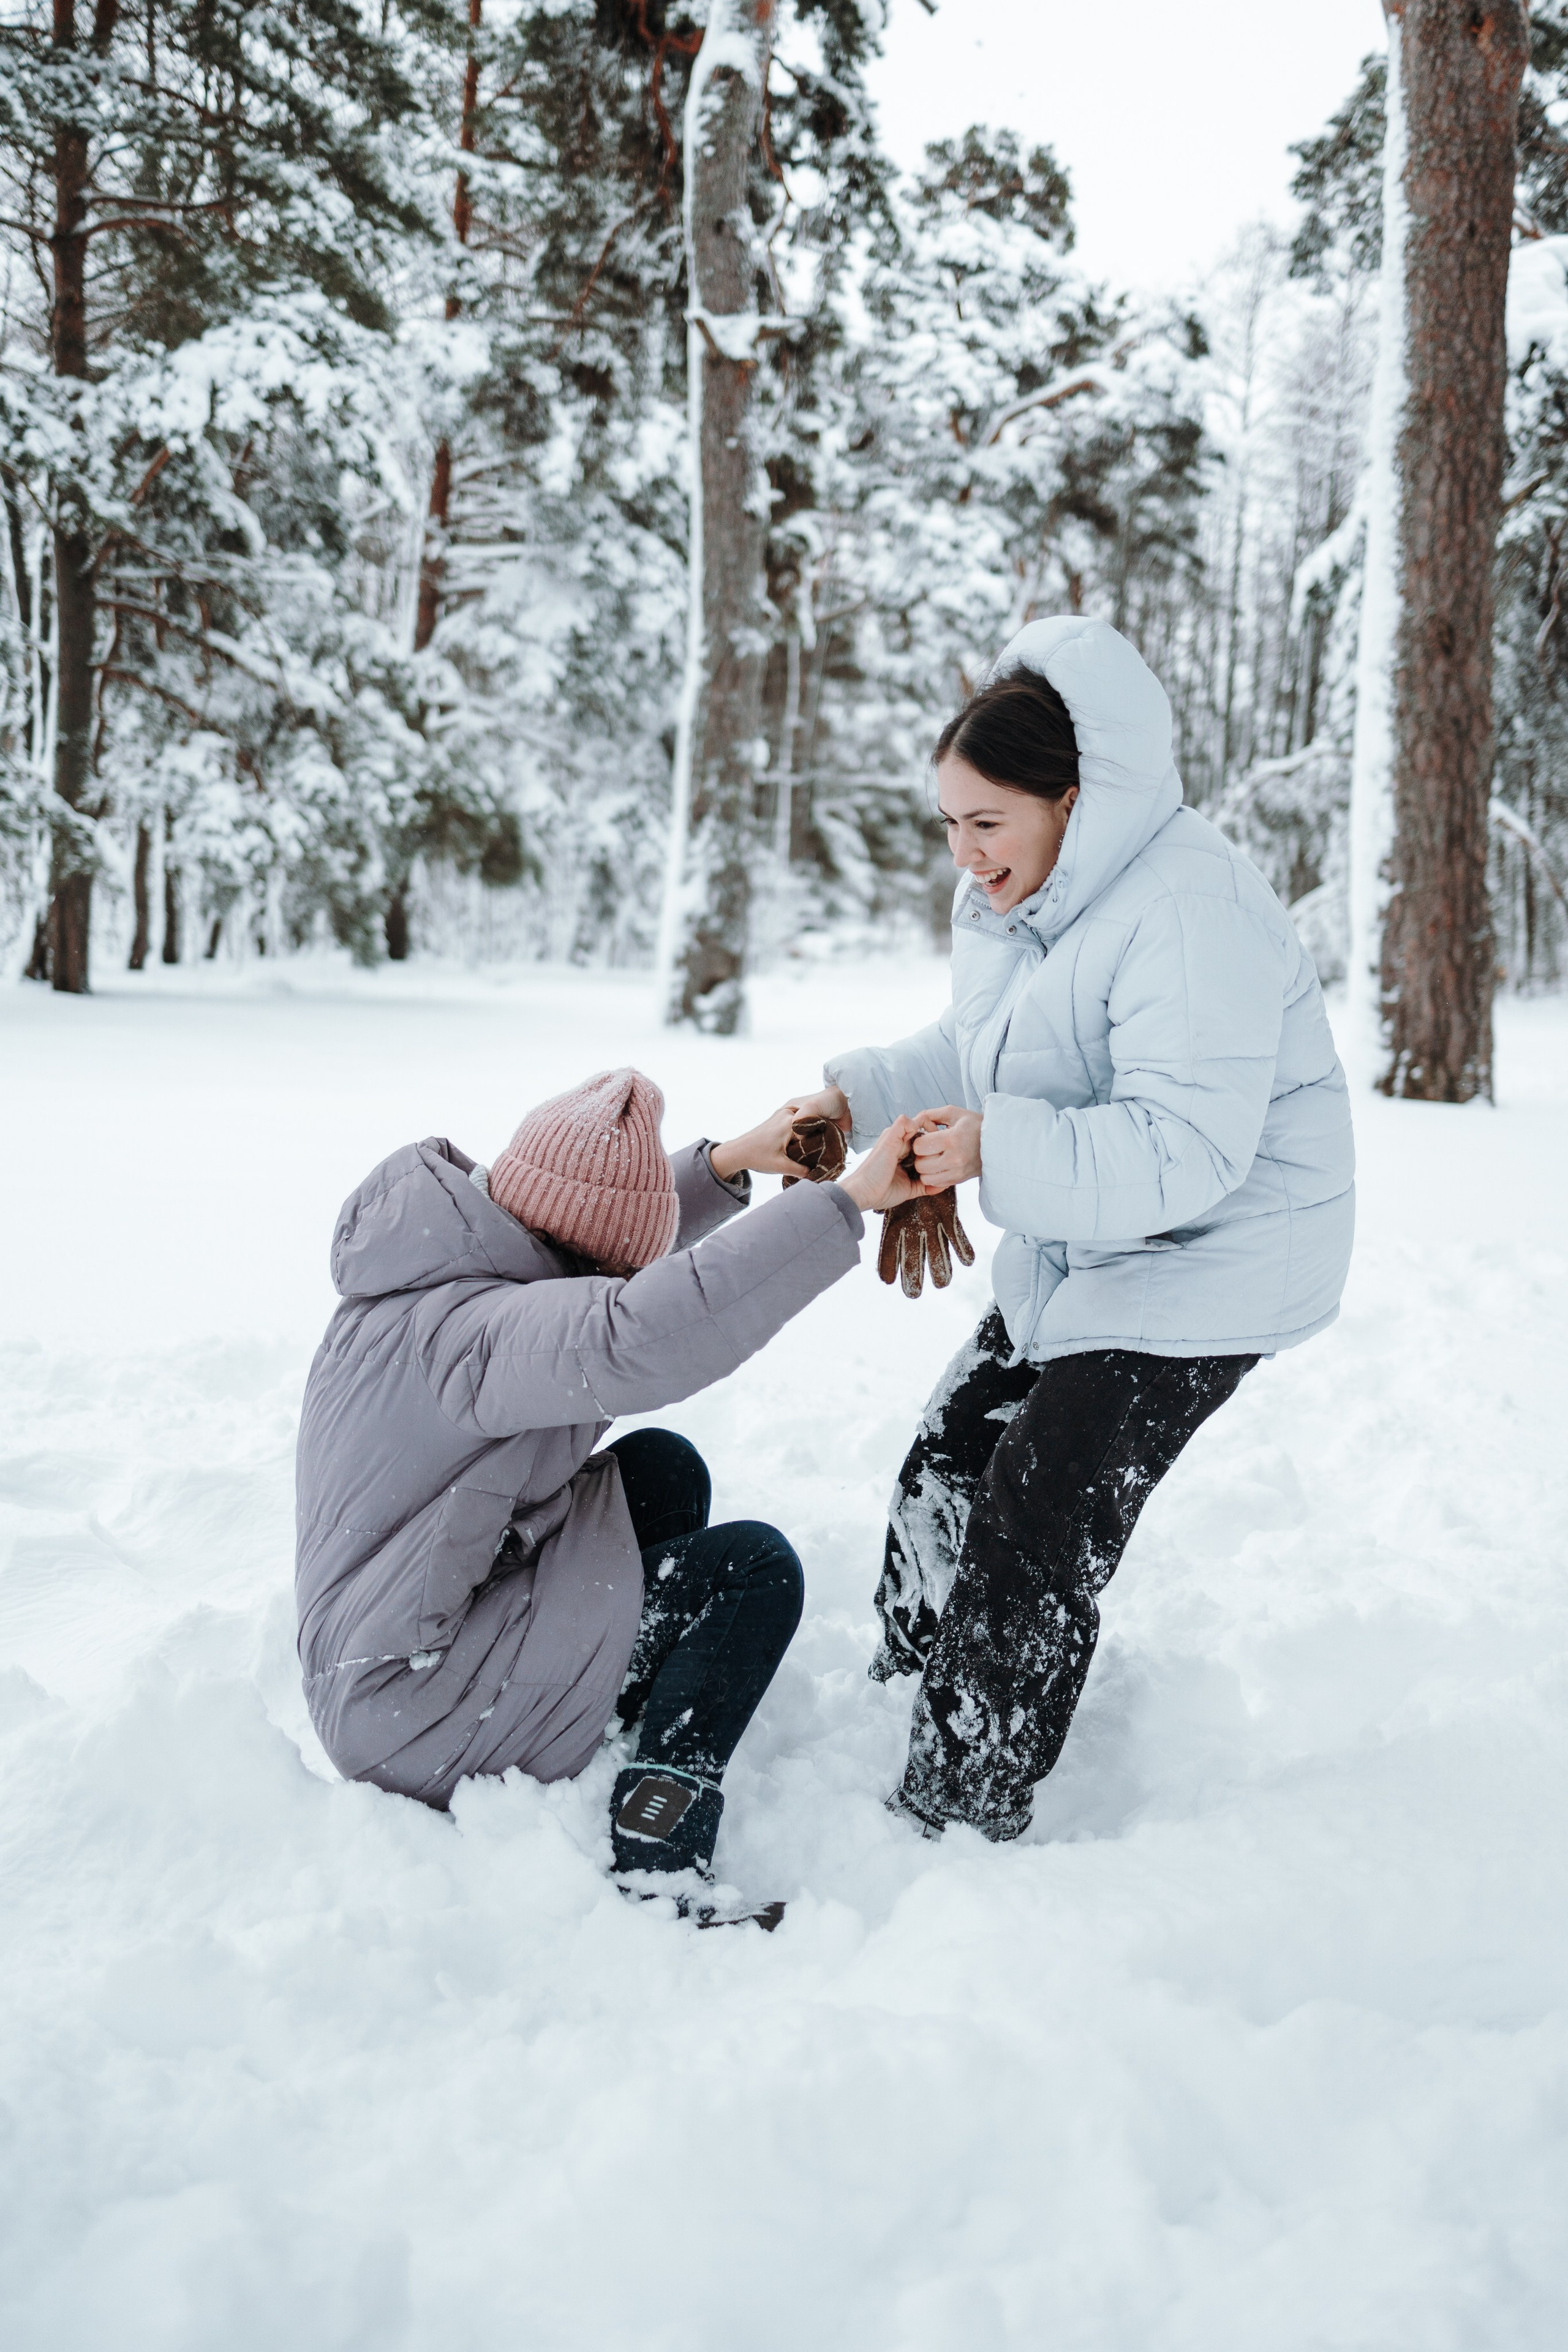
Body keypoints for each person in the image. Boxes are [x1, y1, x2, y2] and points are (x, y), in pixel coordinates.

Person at [791, 616, 1356, 1843]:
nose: (964, 854)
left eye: (985, 823)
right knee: (949, 1456)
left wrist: (994, 1149)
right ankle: (901, 1690)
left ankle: (959, 1804)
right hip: (1095, 1232)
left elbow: (1186, 1151)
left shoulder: (1187, 909)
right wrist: (856, 1096)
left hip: (1216, 1256)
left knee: (1037, 1507)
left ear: (1074, 799)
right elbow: (988, 1046)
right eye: (949, 824)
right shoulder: (1022, 899)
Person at [294, 1066, 918, 1908]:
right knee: (754, 1570)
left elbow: (593, 1251)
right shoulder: (482, 1337)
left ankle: (606, 1710)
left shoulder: (444, 1264)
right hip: (413, 1707)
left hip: (386, 1657)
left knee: (660, 1470)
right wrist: (849, 1201)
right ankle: (658, 1854)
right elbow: (639, 1329)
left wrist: (728, 1162)